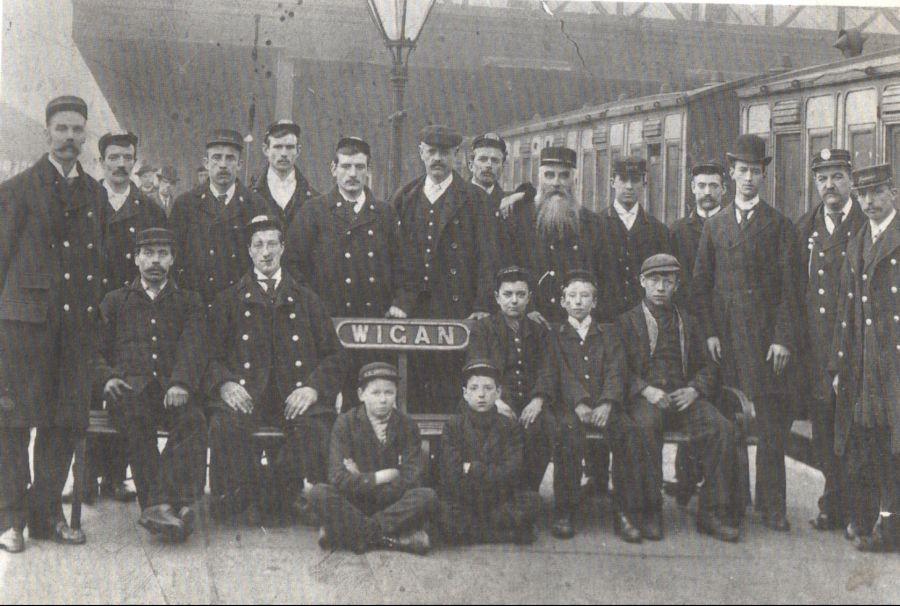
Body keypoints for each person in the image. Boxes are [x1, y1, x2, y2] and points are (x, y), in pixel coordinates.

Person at [0, 96, 106, 552]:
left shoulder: (96, 194)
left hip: (76, 330)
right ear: (47, 133)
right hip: (25, 330)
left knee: (64, 423)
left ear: (85, 137)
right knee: (15, 423)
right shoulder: (17, 189)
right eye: (61, 128)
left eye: (76, 130)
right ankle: (10, 519)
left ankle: (47, 514)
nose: (68, 137)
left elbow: (100, 263)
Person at [692, 134, 802, 532]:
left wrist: (783, 338)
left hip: (767, 342)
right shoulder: (716, 225)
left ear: (763, 176)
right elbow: (700, 285)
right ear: (732, 175)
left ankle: (772, 507)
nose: (749, 179)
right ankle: (732, 501)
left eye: (756, 172)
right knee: (731, 423)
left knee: (771, 427)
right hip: (726, 342)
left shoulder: (780, 225)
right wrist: (708, 334)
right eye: (743, 172)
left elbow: (792, 290)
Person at [205, 215, 346, 522]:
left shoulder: (307, 299)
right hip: (247, 394)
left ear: (283, 248)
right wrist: (226, 384)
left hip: (293, 395)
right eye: (258, 245)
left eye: (272, 244)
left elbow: (334, 357)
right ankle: (241, 496)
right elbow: (210, 357)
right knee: (223, 425)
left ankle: (278, 494)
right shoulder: (228, 300)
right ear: (249, 251)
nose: (266, 252)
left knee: (314, 426)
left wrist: (311, 388)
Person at [616, 254, 742, 543]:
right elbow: (616, 366)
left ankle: (712, 512)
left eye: (667, 281)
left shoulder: (689, 321)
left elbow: (709, 366)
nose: (660, 287)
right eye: (654, 280)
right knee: (644, 430)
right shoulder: (626, 321)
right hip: (646, 397)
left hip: (683, 397)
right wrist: (645, 390)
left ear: (676, 285)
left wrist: (695, 389)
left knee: (722, 428)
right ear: (642, 282)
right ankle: (649, 510)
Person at [95, 228, 207, 542]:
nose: (154, 261)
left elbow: (194, 346)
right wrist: (108, 378)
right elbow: (93, 349)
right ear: (135, 258)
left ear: (172, 259)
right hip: (129, 393)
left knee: (194, 421)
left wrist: (181, 382)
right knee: (136, 420)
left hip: (172, 391)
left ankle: (165, 505)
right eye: (147, 253)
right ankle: (168, 505)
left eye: (162, 253)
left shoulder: (189, 302)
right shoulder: (115, 301)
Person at [285, 136, 401, 410]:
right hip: (327, 328)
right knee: (325, 406)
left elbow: (403, 265)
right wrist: (311, 307)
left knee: (372, 406)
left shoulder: (384, 213)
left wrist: (400, 303)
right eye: (346, 166)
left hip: (373, 329)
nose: (352, 174)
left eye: (359, 167)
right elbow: (292, 265)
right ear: (333, 168)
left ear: (368, 170)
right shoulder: (314, 211)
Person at [390, 124, 498, 413]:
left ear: (457, 156)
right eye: (432, 152)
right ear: (421, 153)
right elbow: (393, 256)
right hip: (413, 311)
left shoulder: (475, 200)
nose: (438, 159)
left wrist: (482, 304)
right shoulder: (405, 197)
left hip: (455, 308)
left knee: (450, 387)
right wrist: (399, 300)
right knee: (412, 387)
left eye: (445, 153)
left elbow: (488, 257)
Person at [88, 131, 167, 505]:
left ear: (135, 162)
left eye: (128, 157)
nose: (121, 164)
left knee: (126, 387)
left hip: (131, 309)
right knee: (90, 388)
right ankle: (87, 476)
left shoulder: (148, 207)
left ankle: (116, 477)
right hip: (89, 307)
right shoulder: (86, 200)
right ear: (101, 160)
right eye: (114, 157)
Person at [796, 148, 866, 533]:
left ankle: (856, 507)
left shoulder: (864, 222)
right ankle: (832, 501)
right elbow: (795, 289)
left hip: (855, 346)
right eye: (822, 178)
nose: (829, 185)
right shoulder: (805, 225)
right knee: (824, 431)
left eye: (837, 176)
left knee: (855, 431)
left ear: (851, 180)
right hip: (818, 349)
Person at [830, 163, 899, 553]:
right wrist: (839, 366)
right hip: (863, 362)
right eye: (863, 195)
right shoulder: (857, 241)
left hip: (894, 362)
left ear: (894, 194)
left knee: (895, 445)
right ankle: (867, 517)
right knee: (866, 441)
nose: (869, 202)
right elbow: (846, 310)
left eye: (877, 193)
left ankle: (891, 529)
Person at [308, 362, 437, 555]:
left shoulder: (407, 425)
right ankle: (392, 539)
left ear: (396, 394)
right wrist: (382, 476)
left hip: (392, 502)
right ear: (361, 394)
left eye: (389, 392)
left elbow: (412, 475)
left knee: (427, 496)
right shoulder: (345, 423)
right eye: (376, 393)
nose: (383, 399)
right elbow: (337, 476)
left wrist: (362, 478)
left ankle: (354, 534)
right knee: (318, 493)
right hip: (356, 501)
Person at [467, 267, 556, 499]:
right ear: (497, 297)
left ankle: (528, 495)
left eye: (520, 294)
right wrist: (496, 401)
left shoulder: (539, 330)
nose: (514, 300)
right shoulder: (483, 329)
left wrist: (538, 400)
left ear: (529, 298)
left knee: (544, 427)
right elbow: (476, 368)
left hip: (529, 401)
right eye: (507, 294)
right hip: (494, 400)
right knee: (496, 428)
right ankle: (501, 496)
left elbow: (547, 369)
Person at [500, 147, 616, 324]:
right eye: (549, 175)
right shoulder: (520, 222)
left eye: (564, 176)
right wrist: (527, 310)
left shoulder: (594, 224)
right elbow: (508, 272)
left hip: (576, 328)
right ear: (540, 180)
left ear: (574, 180)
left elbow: (606, 281)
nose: (556, 183)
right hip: (531, 324)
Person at [668, 161, 727, 505]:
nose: (707, 192)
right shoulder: (678, 231)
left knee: (717, 402)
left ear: (723, 189)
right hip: (688, 327)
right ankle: (685, 479)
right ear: (692, 189)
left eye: (713, 186)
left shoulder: (731, 224)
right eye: (701, 185)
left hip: (724, 327)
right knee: (686, 394)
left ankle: (722, 487)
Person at [550, 270, 625, 539]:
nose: (578, 301)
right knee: (567, 434)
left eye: (585, 296)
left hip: (606, 406)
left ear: (595, 302)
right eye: (572, 296)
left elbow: (617, 369)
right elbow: (559, 372)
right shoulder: (555, 334)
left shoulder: (609, 333)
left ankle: (626, 510)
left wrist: (607, 403)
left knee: (629, 431)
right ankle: (565, 509)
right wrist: (579, 403)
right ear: (562, 302)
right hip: (573, 409)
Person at [437, 360, 541, 545]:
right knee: (443, 511)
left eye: (488, 388)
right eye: (474, 388)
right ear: (465, 393)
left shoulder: (509, 426)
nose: (481, 395)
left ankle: (474, 534)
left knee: (533, 501)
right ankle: (501, 534)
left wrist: (471, 468)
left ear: (498, 393)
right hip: (466, 498)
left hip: (498, 499)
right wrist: (490, 470)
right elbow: (451, 472)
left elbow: (512, 470)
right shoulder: (453, 425)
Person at [169, 129, 268, 307]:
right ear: (206, 163)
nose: (223, 165)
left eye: (230, 158)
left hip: (241, 306)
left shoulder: (256, 206)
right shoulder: (185, 205)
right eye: (216, 157)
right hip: (196, 305)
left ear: (239, 164)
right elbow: (173, 260)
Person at [598, 157, 671, 318]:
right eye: (623, 179)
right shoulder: (595, 226)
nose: (629, 186)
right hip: (605, 319)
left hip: (644, 321)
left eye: (635, 180)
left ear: (644, 184)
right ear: (612, 182)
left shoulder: (658, 230)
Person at [468, 132, 524, 262]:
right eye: (483, 159)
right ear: (471, 165)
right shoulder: (456, 199)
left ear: (502, 167)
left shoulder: (510, 202)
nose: (488, 165)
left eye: (495, 160)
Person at [251, 120, 318, 228]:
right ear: (266, 149)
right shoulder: (250, 196)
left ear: (298, 151)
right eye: (277, 147)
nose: (283, 154)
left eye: (290, 147)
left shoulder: (314, 198)